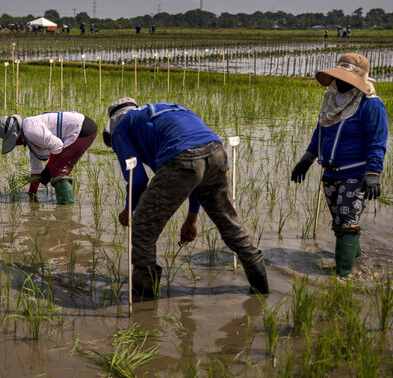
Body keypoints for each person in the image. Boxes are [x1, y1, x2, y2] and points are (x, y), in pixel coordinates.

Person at [103, 98, 269, 299]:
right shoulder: (162, 112)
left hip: (182, 157)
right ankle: (261, 291)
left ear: (112, 122)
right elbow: (196, 170)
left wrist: (129, 210)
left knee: (143, 225)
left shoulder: (121, 126)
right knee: (228, 223)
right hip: (216, 151)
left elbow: (137, 180)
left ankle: (143, 302)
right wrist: (192, 219)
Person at [291, 53, 387, 277]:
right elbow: (320, 132)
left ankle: (341, 276)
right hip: (331, 173)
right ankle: (357, 265)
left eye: (347, 79)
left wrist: (373, 173)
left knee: (346, 223)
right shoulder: (332, 100)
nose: (341, 82)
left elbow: (377, 141)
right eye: (339, 77)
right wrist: (307, 158)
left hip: (356, 174)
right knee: (341, 223)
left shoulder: (370, 105)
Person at [0, 112, 98, 204]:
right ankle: (65, 207)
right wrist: (32, 194)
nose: (15, 145)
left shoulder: (30, 130)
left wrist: (48, 169)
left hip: (82, 130)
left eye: (12, 141)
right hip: (81, 128)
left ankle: (65, 211)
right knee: (56, 168)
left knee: (57, 171)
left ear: (16, 135)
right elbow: (36, 170)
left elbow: (57, 146)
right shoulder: (30, 140)